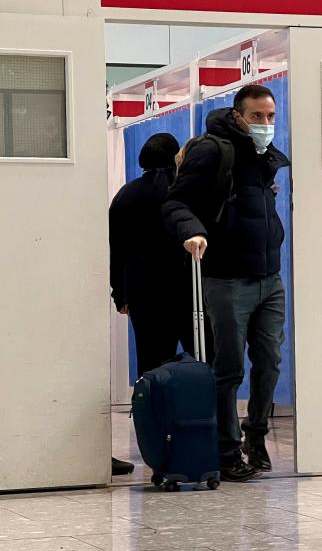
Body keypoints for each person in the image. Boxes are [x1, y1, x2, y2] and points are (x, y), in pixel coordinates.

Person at [162, 85, 290, 483]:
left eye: (270, 116)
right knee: (229, 368)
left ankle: (256, 437)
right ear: (238, 115)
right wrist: (192, 232)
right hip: (226, 279)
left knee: (269, 362)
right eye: (257, 116)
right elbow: (174, 202)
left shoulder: (263, 156)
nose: (265, 124)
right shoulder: (214, 150)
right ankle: (226, 448)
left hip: (269, 278)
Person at [109, 132, 193, 477]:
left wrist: (121, 294)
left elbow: (117, 252)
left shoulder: (125, 195)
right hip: (187, 293)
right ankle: (196, 439)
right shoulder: (183, 193)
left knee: (151, 370)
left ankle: (154, 444)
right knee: (200, 364)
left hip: (144, 294)